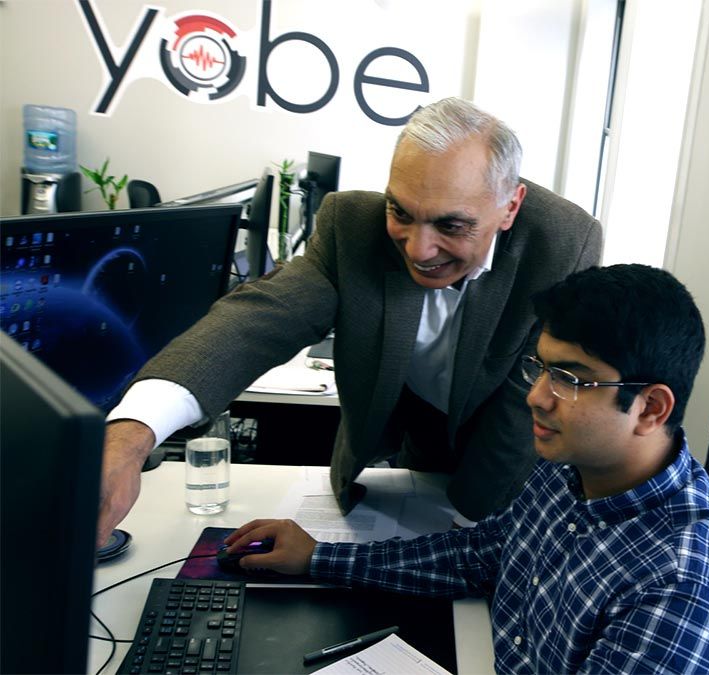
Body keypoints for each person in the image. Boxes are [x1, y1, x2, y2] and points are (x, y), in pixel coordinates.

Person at [97, 97, 603, 546]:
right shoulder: (351, 226)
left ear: (509, 207)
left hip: (506, 468)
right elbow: (256, 321)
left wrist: (468, 535)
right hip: (400, 456)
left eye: (451, 226)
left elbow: (524, 403)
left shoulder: (563, 243)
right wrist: (132, 433)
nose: (418, 250)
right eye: (400, 213)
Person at [224, 264, 709, 674]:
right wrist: (320, 558)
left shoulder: (683, 583)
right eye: (541, 368)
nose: (537, 397)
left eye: (570, 379)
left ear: (651, 408)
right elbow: (487, 552)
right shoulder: (574, 466)